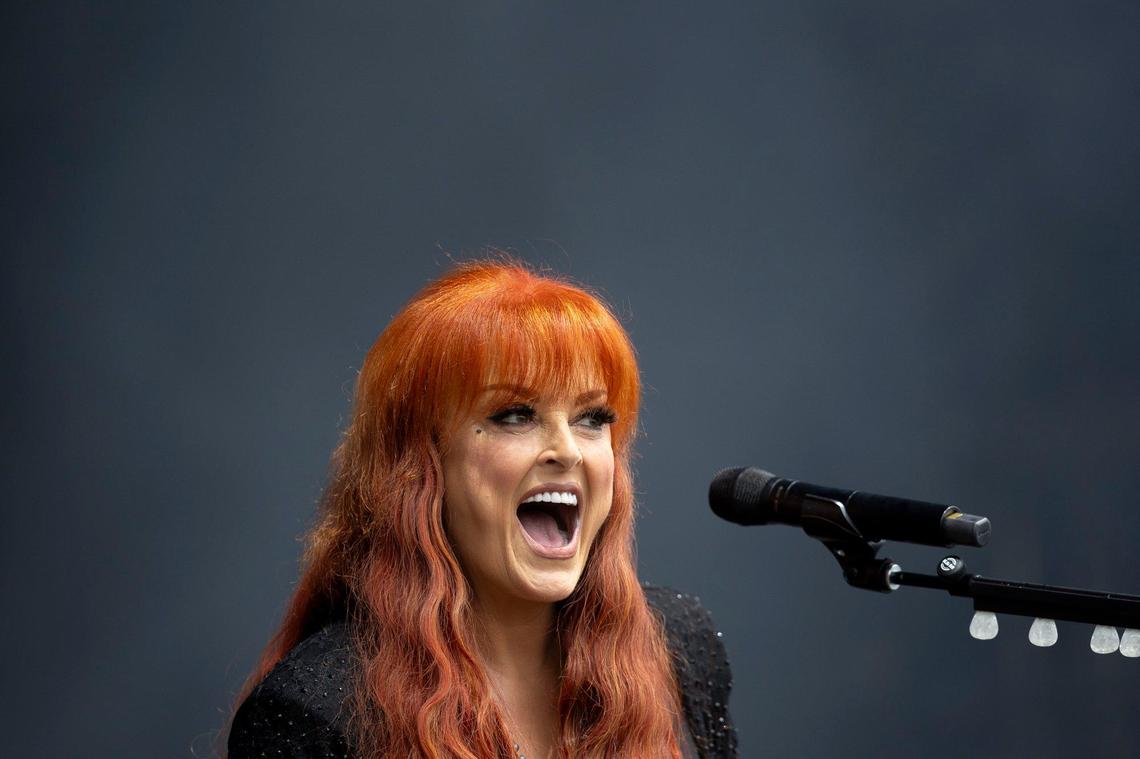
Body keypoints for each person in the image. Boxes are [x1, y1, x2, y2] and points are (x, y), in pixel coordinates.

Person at [226, 259, 738, 758]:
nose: (567, 449)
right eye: (514, 415)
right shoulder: (316, 710)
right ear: (421, 465)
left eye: (592, 417)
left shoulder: (678, 647)